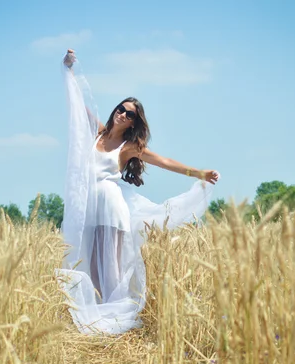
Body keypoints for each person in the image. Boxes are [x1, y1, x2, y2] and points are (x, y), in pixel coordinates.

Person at [57, 49, 219, 335]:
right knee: (92, 265)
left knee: (112, 267)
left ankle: (117, 322)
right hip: (90, 208)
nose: (122, 114)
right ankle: (97, 319)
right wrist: (68, 70)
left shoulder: (130, 147)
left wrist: (200, 173)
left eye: (129, 113)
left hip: (111, 206)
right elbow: (78, 105)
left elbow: (165, 162)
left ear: (134, 122)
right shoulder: (98, 134)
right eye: (120, 108)